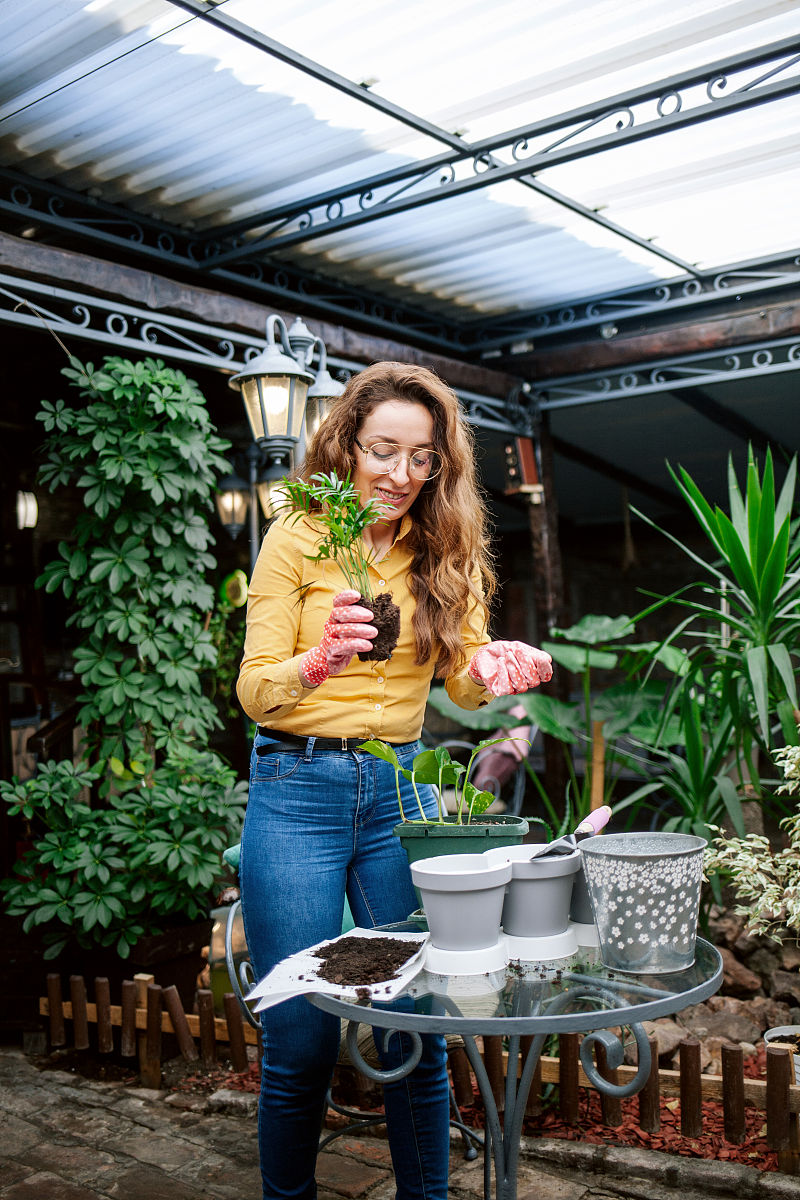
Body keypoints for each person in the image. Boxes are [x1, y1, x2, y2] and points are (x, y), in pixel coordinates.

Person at [236, 361, 553, 1200]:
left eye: (422, 458)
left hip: (397, 793)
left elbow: (462, 682)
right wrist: (317, 661)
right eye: (384, 451)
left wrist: (489, 665)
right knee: (300, 1037)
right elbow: (254, 688)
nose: (402, 474)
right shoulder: (297, 536)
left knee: (418, 1023)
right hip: (296, 790)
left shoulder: (443, 546)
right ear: (347, 445)